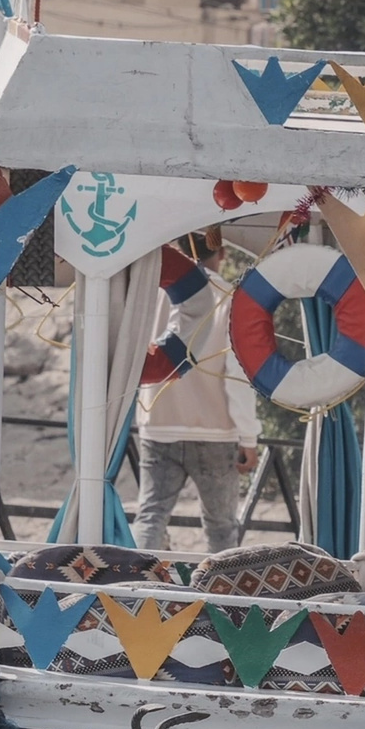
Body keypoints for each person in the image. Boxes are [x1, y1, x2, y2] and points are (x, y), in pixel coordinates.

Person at [134, 229, 257, 555]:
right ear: (222, 254)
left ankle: (136, 588)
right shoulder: (231, 297)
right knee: (221, 526)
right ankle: (224, 596)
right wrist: (249, 438)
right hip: (215, 430)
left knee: (150, 516)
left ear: (175, 249)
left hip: (157, 423)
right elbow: (237, 372)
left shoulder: (152, 291)